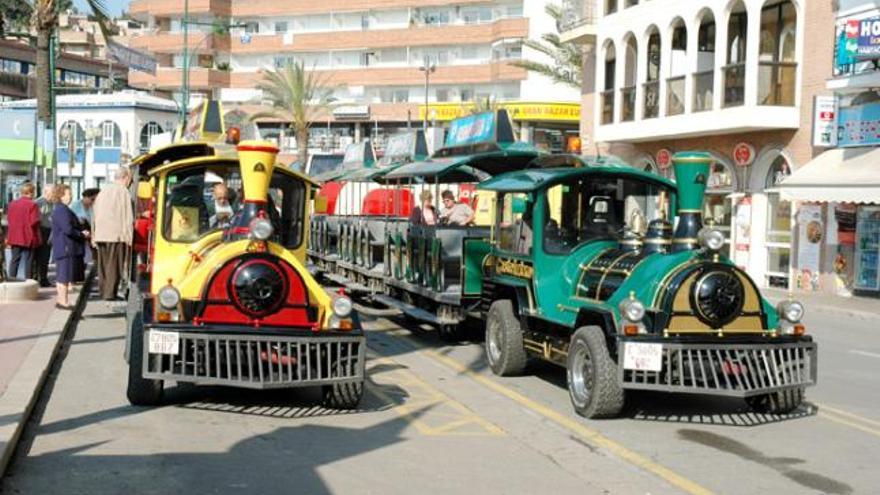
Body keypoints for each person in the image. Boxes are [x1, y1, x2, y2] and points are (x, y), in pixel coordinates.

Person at [92, 166, 134, 301]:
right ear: (126, 178)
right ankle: (110, 293)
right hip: (116, 234)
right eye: (130, 179)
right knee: (114, 265)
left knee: (103, 265)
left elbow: (94, 214)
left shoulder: (103, 191)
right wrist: (129, 236)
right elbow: (127, 215)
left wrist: (94, 234)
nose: (130, 182)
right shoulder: (123, 192)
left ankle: (104, 291)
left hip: (101, 233)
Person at [50, 184, 88, 309]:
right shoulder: (62, 210)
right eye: (68, 194)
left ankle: (62, 300)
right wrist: (81, 234)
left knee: (63, 275)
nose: (71, 196)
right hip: (65, 246)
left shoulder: (61, 209)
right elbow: (67, 229)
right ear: (61, 196)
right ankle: (63, 301)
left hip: (64, 246)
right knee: (64, 275)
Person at [6, 183, 42, 281]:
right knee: (29, 261)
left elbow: (9, 219)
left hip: (14, 236)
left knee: (14, 260)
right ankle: (28, 281)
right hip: (28, 236)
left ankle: (11, 280)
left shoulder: (12, 204)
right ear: (31, 192)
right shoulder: (33, 205)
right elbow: (34, 222)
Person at [33, 183, 55, 287]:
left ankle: (43, 278)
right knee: (38, 256)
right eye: (52, 193)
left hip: (49, 231)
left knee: (45, 257)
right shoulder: (39, 203)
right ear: (46, 192)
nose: (54, 195)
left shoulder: (52, 203)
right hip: (41, 230)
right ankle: (36, 278)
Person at [71, 188, 99, 265]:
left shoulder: (93, 207)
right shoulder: (76, 205)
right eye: (92, 199)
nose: (93, 202)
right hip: (80, 233)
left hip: (91, 233)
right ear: (85, 197)